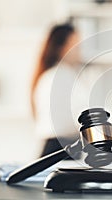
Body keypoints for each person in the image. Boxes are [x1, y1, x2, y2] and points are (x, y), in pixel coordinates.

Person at [31, 23, 84, 157]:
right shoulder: (63, 75)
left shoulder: (48, 75)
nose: (80, 51)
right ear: (62, 47)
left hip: (52, 147)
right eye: (76, 45)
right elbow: (82, 114)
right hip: (62, 147)